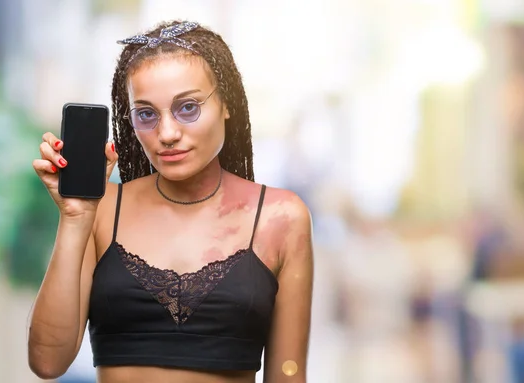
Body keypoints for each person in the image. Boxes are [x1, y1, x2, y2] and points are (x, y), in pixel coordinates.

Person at [28, 20, 314, 383]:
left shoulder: (280, 217)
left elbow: (288, 376)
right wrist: (75, 217)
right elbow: (47, 363)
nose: (166, 134)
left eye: (188, 107)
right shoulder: (100, 209)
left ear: (226, 104)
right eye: (146, 114)